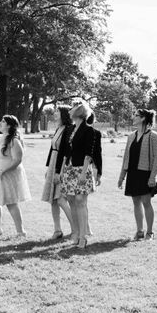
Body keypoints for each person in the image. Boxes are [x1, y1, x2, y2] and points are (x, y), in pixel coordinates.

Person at [55, 101, 95, 249]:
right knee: (71, 200)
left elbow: (88, 153)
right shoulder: (70, 129)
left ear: (78, 112)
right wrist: (62, 170)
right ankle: (77, 234)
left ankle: (83, 236)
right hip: (70, 169)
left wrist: (84, 173)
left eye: (72, 108)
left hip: (81, 169)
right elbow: (66, 151)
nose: (69, 110)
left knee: (80, 201)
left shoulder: (88, 130)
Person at [118, 109, 157, 240]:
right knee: (136, 202)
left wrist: (152, 176)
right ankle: (139, 231)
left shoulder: (153, 136)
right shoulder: (131, 136)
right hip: (132, 173)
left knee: (146, 202)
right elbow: (126, 157)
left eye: (136, 115)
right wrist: (121, 177)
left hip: (145, 173)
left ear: (143, 119)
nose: (133, 117)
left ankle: (150, 232)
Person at [41, 105, 75, 240]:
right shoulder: (58, 129)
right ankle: (57, 230)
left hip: (62, 167)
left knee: (61, 199)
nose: (55, 113)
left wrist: (58, 171)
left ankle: (75, 228)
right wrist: (49, 168)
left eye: (57, 111)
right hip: (53, 165)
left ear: (64, 114)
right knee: (53, 200)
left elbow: (66, 152)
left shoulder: (68, 129)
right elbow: (52, 150)